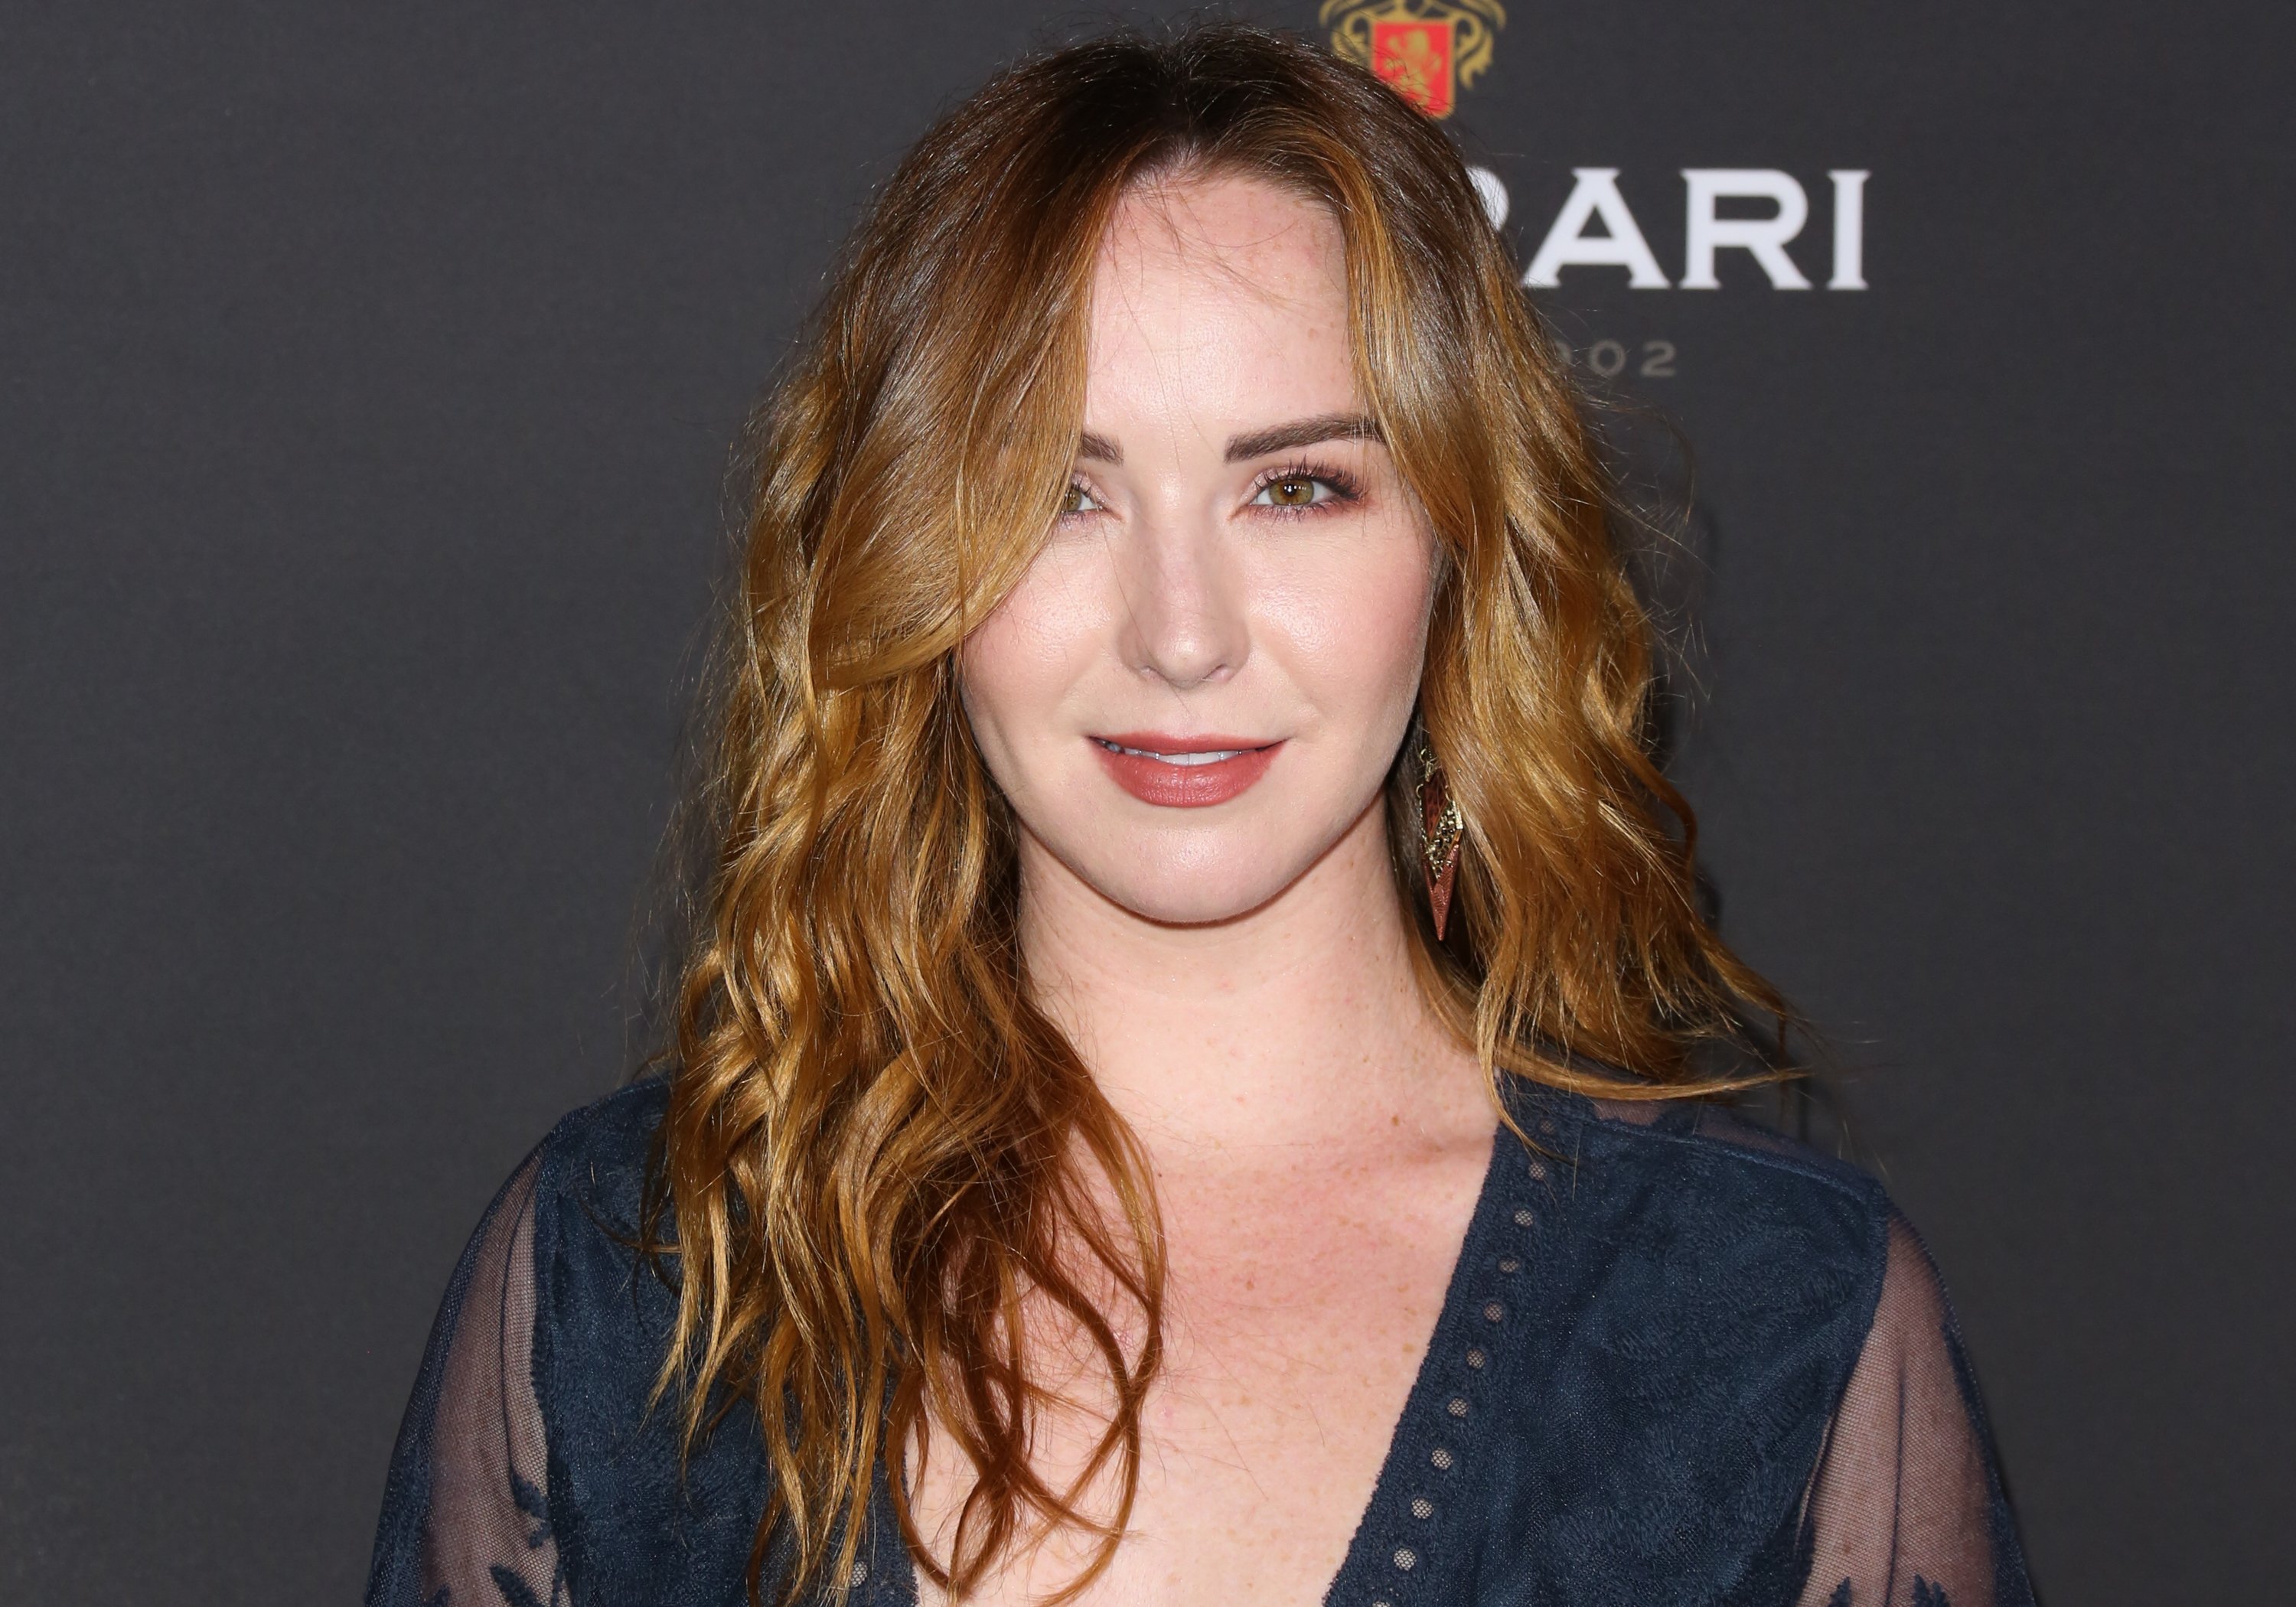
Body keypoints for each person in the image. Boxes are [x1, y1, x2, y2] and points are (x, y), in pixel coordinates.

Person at [366, 23, 2034, 1607]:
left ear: (1458, 546)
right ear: (910, 566)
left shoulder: (1768, 1316)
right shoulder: (641, 1274)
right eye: (1057, 495)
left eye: (1297, 485)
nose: (1181, 630)